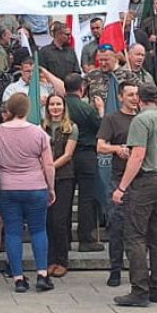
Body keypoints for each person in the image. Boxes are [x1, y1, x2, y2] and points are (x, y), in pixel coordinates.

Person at [0, 94, 56, 293]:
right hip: (35, 187)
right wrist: (50, 188)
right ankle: (42, 274)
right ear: (26, 109)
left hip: (7, 189)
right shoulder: (38, 133)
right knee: (39, 230)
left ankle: (18, 278)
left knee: (13, 232)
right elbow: (48, 165)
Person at [111, 83, 157, 307]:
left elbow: (138, 156)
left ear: (140, 99)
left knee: (135, 236)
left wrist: (121, 187)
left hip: (146, 181)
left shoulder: (140, 120)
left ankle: (139, 291)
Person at [97, 80, 139, 287]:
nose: (134, 98)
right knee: (116, 226)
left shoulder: (144, 118)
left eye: (136, 94)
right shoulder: (112, 119)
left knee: (139, 227)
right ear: (121, 97)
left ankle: (137, 268)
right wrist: (116, 149)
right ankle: (115, 269)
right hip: (119, 178)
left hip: (142, 180)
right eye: (130, 94)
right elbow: (100, 146)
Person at [64, 73, 105, 252]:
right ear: (81, 88)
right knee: (86, 198)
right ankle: (85, 238)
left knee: (64, 198)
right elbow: (101, 128)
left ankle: (64, 238)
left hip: (64, 156)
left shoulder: (60, 105)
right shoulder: (86, 108)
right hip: (86, 155)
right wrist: (101, 111)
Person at [42, 94, 78, 278]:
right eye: (52, 104)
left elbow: (68, 154)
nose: (55, 108)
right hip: (43, 180)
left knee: (60, 221)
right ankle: (50, 260)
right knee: (47, 221)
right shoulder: (41, 127)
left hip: (64, 178)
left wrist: (49, 168)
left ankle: (62, 260)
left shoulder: (71, 128)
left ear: (64, 107)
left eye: (58, 104)